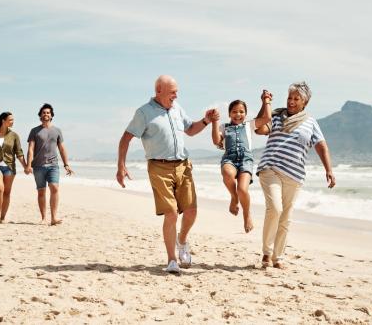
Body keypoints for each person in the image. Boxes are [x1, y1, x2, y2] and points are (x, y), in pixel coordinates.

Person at [116, 75, 218, 274]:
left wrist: (206, 120)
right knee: (171, 213)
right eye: (173, 92)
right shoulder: (144, 113)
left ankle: (182, 241)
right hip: (159, 168)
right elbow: (125, 139)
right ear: (159, 91)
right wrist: (121, 166)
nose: (176, 95)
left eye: (177, 91)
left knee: (191, 211)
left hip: (183, 165)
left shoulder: (177, 108)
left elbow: (191, 130)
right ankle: (172, 260)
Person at [255, 82, 335, 269]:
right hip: (271, 168)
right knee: (275, 208)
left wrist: (328, 169)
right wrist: (265, 103)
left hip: (294, 174)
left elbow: (321, 146)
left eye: (296, 98)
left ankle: (278, 257)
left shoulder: (311, 122)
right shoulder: (275, 116)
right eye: (289, 97)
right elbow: (260, 129)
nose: (291, 101)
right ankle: (267, 253)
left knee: (285, 217)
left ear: (304, 102)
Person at [210, 91, 272, 233]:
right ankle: (233, 197)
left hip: (246, 159)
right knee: (227, 173)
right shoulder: (224, 127)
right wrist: (214, 122)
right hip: (229, 158)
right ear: (229, 114)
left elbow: (267, 117)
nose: (238, 114)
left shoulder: (249, 125)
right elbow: (216, 141)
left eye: (241, 112)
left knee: (243, 189)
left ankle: (246, 214)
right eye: (234, 112)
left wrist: (267, 100)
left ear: (246, 113)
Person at [25, 103, 74, 226]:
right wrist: (28, 165)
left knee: (55, 188)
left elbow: (62, 149)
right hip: (38, 166)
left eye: (48, 113)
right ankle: (43, 218)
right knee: (41, 192)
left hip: (53, 165)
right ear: (40, 115)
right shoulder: (34, 131)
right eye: (43, 112)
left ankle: (53, 217)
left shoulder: (57, 131)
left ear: (51, 115)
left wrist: (66, 164)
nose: (46, 114)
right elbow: (31, 148)